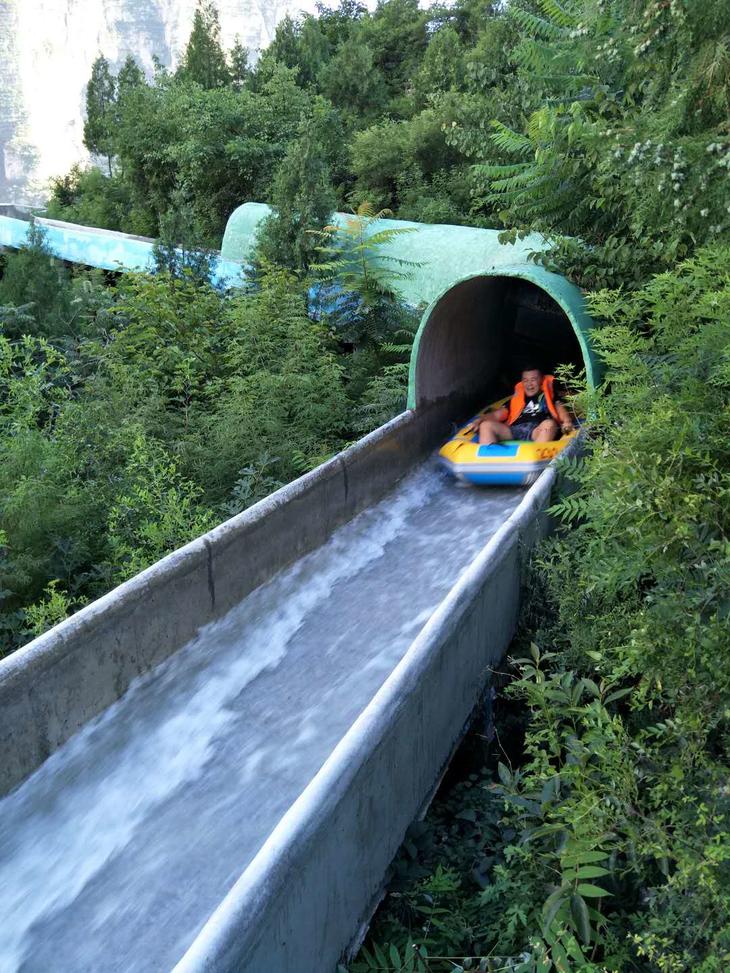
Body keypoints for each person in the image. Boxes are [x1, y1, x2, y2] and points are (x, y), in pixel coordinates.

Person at [476, 367, 574, 445]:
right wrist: (481, 420)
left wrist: (567, 422)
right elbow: (497, 415)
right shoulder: (516, 398)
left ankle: (535, 457)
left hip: (537, 430)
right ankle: (489, 460)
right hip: (514, 430)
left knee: (549, 424)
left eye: (533, 380)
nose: (529, 384)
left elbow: (560, 409)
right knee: (486, 425)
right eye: (525, 380)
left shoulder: (550, 396)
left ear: (541, 381)